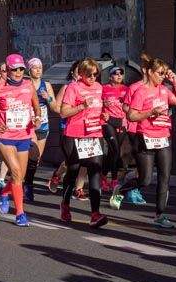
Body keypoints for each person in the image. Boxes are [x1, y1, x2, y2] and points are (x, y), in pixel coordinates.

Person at [121, 54, 176, 229]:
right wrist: (151, 113)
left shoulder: (164, 90)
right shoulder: (140, 91)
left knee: (165, 177)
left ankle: (160, 214)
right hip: (146, 137)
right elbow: (131, 115)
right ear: (150, 72)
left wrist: (175, 82)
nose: (162, 76)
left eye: (164, 73)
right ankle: (122, 189)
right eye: (160, 73)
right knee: (145, 180)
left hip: (163, 137)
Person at [54, 58, 108, 228]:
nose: (93, 77)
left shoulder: (99, 88)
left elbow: (100, 108)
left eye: (96, 74)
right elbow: (63, 112)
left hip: (94, 133)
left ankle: (95, 213)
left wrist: (103, 116)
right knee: (73, 171)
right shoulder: (73, 88)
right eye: (90, 74)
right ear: (82, 74)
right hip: (74, 135)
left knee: (95, 170)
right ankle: (65, 204)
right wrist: (81, 106)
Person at [0, 53, 37, 226]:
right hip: (6, 137)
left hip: (24, 135)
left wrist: (37, 118)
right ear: (8, 70)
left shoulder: (28, 85)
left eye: (21, 69)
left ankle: (4, 192)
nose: (18, 72)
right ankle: (20, 213)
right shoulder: (0, 87)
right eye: (14, 69)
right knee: (16, 172)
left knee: (20, 177)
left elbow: (36, 107)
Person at [27, 58, 55, 198]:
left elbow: (55, 107)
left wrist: (48, 98)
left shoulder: (47, 85)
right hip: (29, 126)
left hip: (43, 125)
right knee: (31, 156)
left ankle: (28, 182)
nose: (38, 70)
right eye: (35, 67)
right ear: (29, 69)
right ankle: (26, 185)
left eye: (40, 67)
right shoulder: (26, 84)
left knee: (36, 159)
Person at [100, 65, 129, 196]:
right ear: (110, 76)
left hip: (121, 122)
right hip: (107, 122)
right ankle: (114, 180)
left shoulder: (126, 89)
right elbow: (96, 103)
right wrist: (102, 107)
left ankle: (103, 175)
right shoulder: (104, 89)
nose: (119, 76)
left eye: (121, 74)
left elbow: (131, 106)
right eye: (116, 74)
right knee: (115, 149)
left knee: (113, 153)